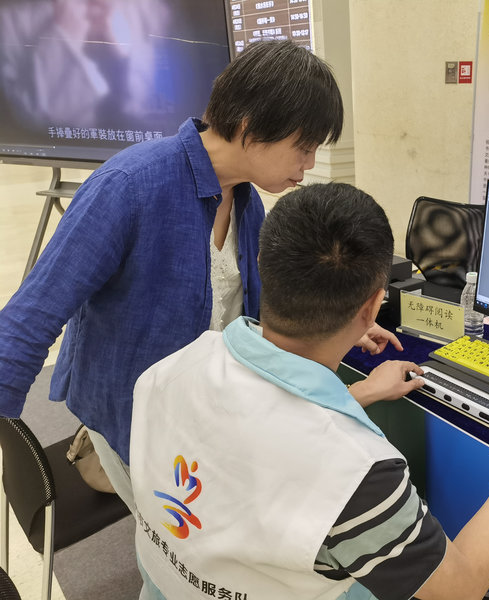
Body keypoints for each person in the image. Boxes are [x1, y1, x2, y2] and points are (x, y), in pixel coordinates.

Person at [0, 39, 401, 517]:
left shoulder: (248, 204)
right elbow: (30, 318)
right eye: (303, 147)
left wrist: (341, 323)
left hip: (201, 411)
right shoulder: (130, 187)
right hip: (133, 416)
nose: (309, 164)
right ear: (251, 128)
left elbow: (252, 312)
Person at [130, 182, 489, 600]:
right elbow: (459, 589)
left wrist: (357, 393)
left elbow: (255, 427)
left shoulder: (174, 366)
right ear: (373, 306)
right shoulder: (358, 474)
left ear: (263, 265)